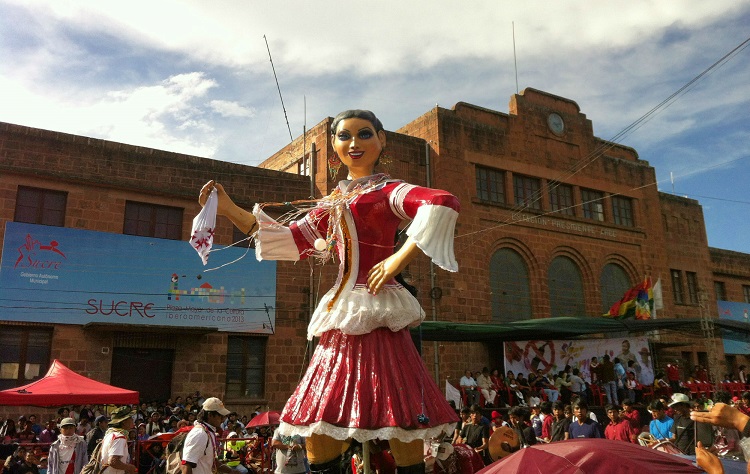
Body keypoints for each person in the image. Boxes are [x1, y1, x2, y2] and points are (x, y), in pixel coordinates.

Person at [198, 109, 459, 474]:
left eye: (364, 134)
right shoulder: (330, 204)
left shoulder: (389, 191)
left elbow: (441, 201)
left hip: (380, 309)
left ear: (382, 141)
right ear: (334, 145)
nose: (354, 143)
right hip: (340, 314)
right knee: (320, 421)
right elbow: (285, 240)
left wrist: (398, 259)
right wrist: (227, 209)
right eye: (344, 136)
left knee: (401, 414)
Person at [181, 398, 232, 474]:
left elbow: (211, 461)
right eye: (220, 416)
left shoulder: (208, 432)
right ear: (210, 415)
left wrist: (231, 471)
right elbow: (186, 464)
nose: (222, 420)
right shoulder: (199, 433)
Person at [100, 407, 137, 474]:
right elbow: (113, 461)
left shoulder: (110, 434)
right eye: (130, 418)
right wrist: (129, 467)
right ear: (124, 422)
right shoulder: (119, 437)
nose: (132, 420)